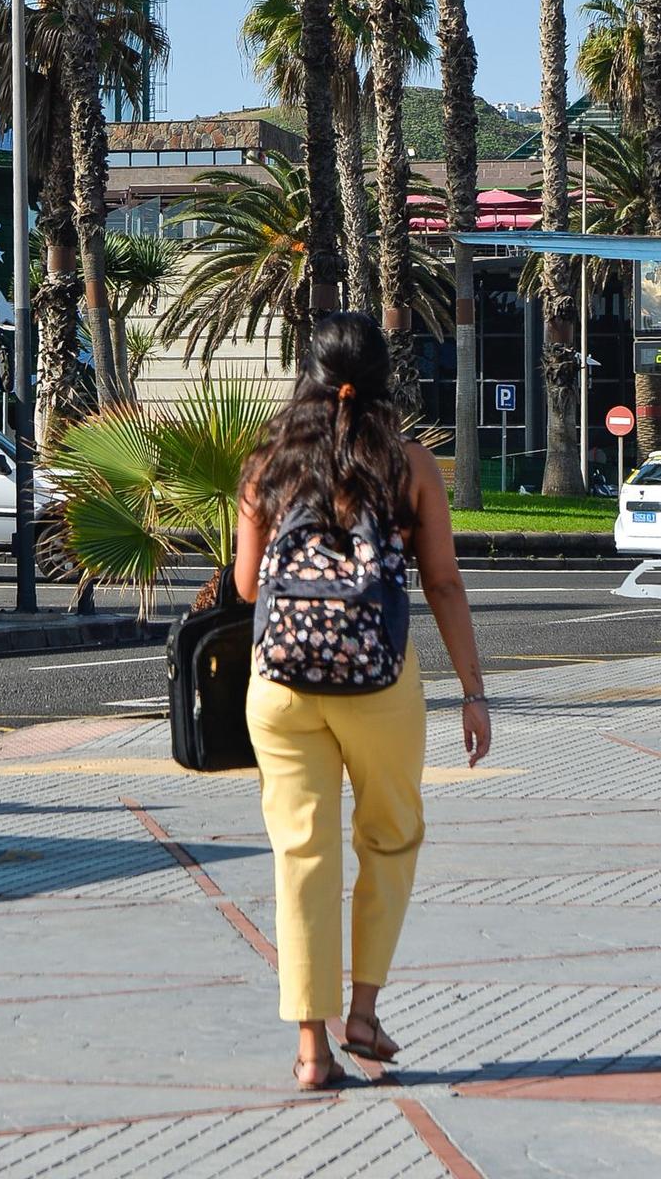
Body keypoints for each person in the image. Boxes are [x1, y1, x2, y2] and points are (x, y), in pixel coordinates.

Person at [233, 312, 491, 1091]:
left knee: (300, 856)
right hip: (378, 681)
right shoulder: (407, 464)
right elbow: (442, 582)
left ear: (305, 376)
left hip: (278, 685)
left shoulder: (265, 465)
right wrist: (472, 693)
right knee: (388, 838)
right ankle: (364, 1013)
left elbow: (247, 587)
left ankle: (310, 1051)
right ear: (384, 379)